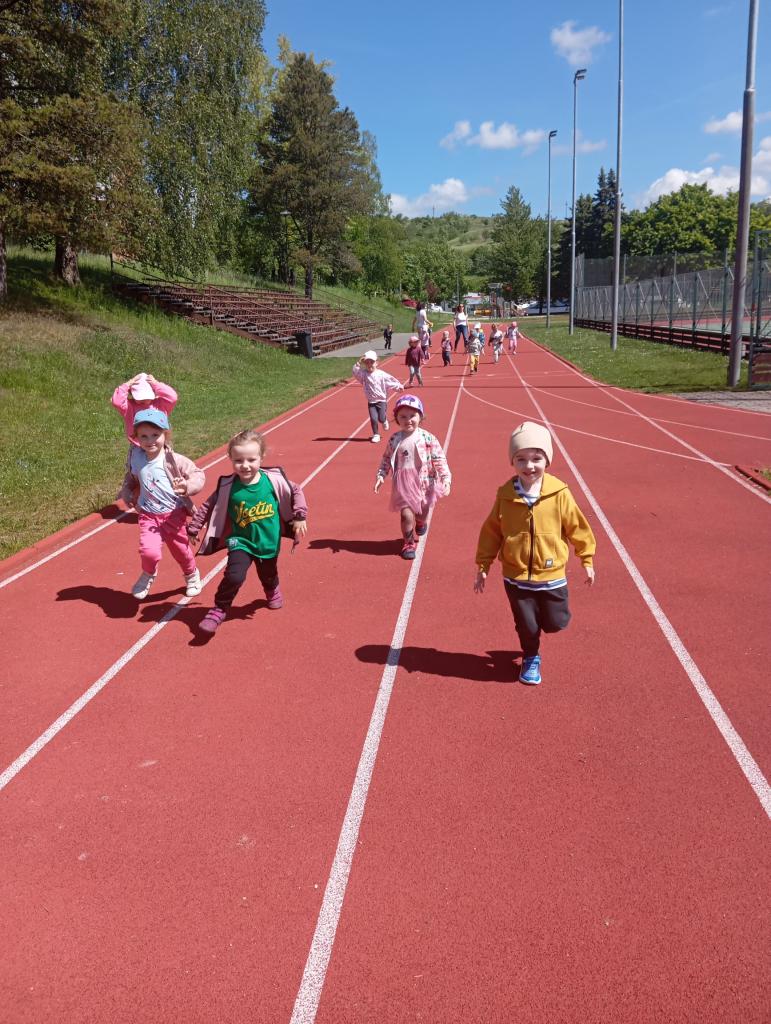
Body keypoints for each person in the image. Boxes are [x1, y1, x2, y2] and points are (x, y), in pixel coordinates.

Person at [474, 421, 596, 685]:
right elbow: (492, 531)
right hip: (516, 576)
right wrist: (483, 566)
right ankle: (531, 656)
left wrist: (586, 558)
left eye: (536, 458)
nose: (529, 466)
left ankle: (540, 625)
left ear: (547, 460)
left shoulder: (559, 493)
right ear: (512, 462)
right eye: (521, 459)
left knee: (555, 623)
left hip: (551, 576)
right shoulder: (505, 496)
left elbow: (577, 526)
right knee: (527, 625)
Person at [188, 429, 308, 635]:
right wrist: (194, 527)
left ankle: (271, 588)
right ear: (230, 458)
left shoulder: (272, 481)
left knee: (268, 573)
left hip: (268, 541)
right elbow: (208, 506)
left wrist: (299, 515)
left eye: (251, 460)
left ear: (262, 457)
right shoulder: (228, 486)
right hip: (240, 541)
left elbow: (295, 490)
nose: (245, 465)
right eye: (238, 460)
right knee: (234, 576)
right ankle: (219, 609)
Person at [117, 409, 204, 600]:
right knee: (149, 551)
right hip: (148, 515)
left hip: (173, 515)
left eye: (155, 435)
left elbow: (198, 475)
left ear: (166, 434)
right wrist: (127, 490)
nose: (150, 441)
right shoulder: (136, 457)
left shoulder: (174, 460)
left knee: (181, 551)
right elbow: (131, 476)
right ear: (136, 438)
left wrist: (187, 486)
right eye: (144, 436)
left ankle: (191, 575)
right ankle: (148, 573)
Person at [374, 394, 451, 560]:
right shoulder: (395, 439)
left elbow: (439, 459)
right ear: (396, 419)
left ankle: (421, 521)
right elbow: (386, 458)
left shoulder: (428, 438)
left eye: (412, 416)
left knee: (422, 511)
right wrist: (381, 475)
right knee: (406, 514)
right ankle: (408, 543)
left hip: (425, 481)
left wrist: (446, 478)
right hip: (404, 483)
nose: (408, 420)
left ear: (420, 416)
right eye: (403, 416)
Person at [112, 373, 178, 446]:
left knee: (166, 454)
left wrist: (156, 384)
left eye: (147, 397)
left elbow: (173, 397)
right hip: (139, 445)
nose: (143, 400)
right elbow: (117, 402)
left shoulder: (160, 404)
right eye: (139, 397)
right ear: (131, 393)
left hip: (161, 443)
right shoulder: (129, 407)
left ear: (154, 392)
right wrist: (128, 384)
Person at [352, 350, 403, 443]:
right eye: (367, 362)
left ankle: (384, 420)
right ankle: (376, 434)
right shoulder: (364, 374)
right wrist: (359, 362)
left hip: (381, 401)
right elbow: (356, 372)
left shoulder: (381, 374)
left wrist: (398, 386)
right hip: (371, 402)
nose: (369, 364)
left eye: (372, 362)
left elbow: (390, 381)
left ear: (377, 362)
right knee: (373, 419)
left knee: (381, 418)